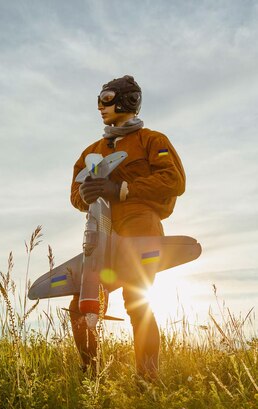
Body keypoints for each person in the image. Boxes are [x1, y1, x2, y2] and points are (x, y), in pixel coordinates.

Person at [68, 75, 186, 380]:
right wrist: (85, 195)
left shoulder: (153, 141)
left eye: (106, 99)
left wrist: (120, 188)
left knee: (137, 301)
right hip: (101, 236)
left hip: (141, 232)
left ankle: (147, 380)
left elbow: (174, 180)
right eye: (98, 100)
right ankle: (91, 376)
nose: (100, 107)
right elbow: (74, 193)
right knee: (80, 304)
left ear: (128, 101)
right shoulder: (90, 151)